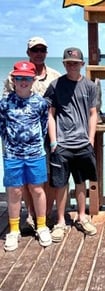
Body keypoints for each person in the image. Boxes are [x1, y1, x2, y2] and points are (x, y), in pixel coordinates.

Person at [3, 37, 61, 231]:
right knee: (27, 182)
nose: (38, 53)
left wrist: (50, 135)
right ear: (28, 52)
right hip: (18, 142)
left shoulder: (55, 75)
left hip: (47, 136)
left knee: (47, 177)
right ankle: (30, 215)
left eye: (42, 49)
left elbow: (51, 112)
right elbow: (5, 111)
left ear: (46, 52)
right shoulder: (13, 77)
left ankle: (46, 215)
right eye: (34, 49)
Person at [44, 47, 98, 242]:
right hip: (62, 144)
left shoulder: (90, 86)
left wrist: (91, 139)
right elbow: (50, 114)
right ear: (64, 63)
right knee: (60, 184)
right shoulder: (55, 85)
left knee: (81, 182)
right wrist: (53, 141)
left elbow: (93, 113)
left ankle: (82, 216)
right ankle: (60, 221)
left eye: (75, 62)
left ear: (82, 64)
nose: (72, 65)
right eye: (68, 62)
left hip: (83, 143)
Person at [0, 61, 52, 251]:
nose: (23, 82)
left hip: (36, 154)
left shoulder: (40, 102)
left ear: (33, 80)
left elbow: (44, 126)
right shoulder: (4, 103)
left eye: (27, 78)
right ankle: (13, 230)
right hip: (12, 155)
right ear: (13, 80)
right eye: (19, 78)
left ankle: (42, 226)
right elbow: (2, 127)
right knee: (14, 191)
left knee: (37, 190)